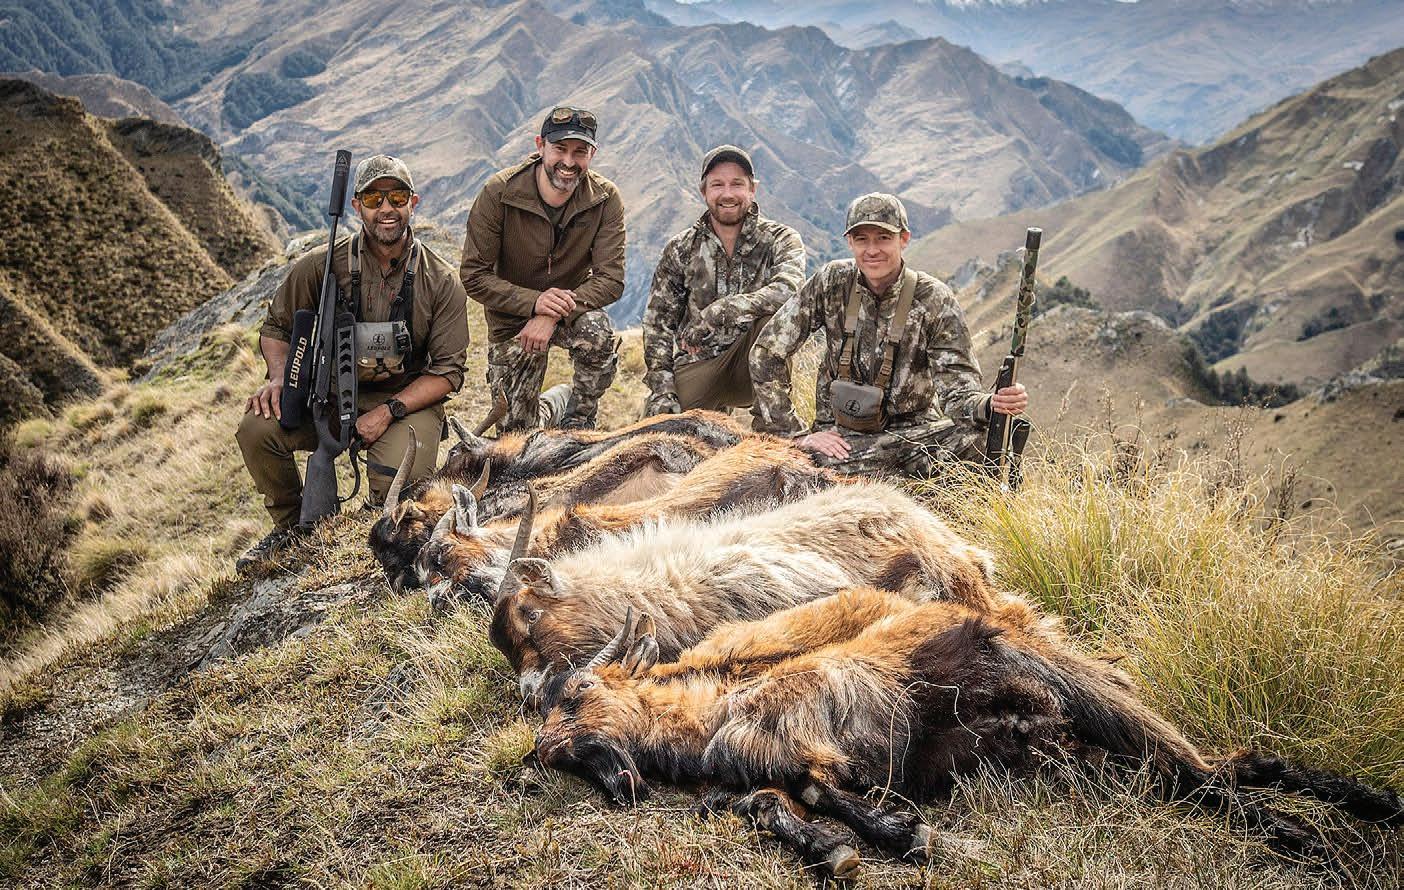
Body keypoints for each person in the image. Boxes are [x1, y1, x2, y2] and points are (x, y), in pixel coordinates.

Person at [236, 155, 469, 570]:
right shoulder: (321, 266)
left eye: (397, 197)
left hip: (402, 404)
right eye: (374, 198)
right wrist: (279, 379)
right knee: (257, 428)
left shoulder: (441, 279)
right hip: (324, 397)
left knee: (403, 494)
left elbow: (448, 372)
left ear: (413, 202)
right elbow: (276, 328)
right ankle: (290, 529)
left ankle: (378, 525)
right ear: (357, 206)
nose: (386, 208)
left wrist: (388, 411)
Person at [750, 192, 1028, 477]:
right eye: (862, 239)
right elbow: (767, 352)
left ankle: (883, 483)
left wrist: (990, 404)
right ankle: (900, 485)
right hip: (841, 444)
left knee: (979, 438)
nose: (872, 250)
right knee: (803, 463)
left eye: (883, 238)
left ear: (903, 239)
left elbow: (958, 394)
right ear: (850, 242)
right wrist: (796, 435)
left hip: (915, 439)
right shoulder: (830, 282)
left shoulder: (934, 299)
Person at [459, 105, 625, 432]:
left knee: (597, 332)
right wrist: (534, 303)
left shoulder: (605, 199)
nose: (569, 162)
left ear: (592, 154)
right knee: (516, 436)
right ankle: (554, 405)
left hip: (570, 313)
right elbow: (474, 275)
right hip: (511, 320)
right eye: (560, 149)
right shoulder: (499, 193)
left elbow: (611, 279)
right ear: (540, 146)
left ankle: (579, 422)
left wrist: (550, 313)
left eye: (580, 152)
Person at [641, 145, 805, 422]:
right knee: (660, 428)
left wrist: (720, 311)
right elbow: (658, 324)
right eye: (717, 185)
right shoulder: (681, 248)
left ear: (753, 189)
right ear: (703, 191)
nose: (727, 194)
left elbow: (790, 291)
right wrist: (663, 391)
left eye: (737, 184)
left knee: (771, 322)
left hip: (754, 364)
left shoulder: (781, 239)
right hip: (700, 362)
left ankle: (775, 427)